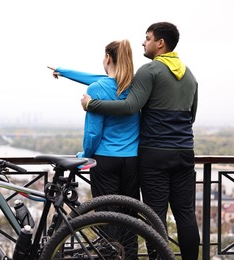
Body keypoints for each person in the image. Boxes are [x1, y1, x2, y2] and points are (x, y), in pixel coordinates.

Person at [81, 22, 200, 259]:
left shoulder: (150, 70)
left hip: (154, 154)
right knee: (185, 214)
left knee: (155, 215)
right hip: (185, 151)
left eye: (147, 38)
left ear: (160, 43)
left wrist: (91, 104)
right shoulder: (189, 75)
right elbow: (192, 116)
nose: (143, 43)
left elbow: (130, 106)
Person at [50, 40, 140, 258]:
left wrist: (85, 156)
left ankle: (110, 256)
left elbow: (93, 133)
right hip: (133, 160)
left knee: (108, 216)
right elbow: (97, 78)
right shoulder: (136, 86)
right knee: (130, 216)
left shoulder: (96, 90)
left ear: (107, 58)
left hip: (105, 160)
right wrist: (63, 72)